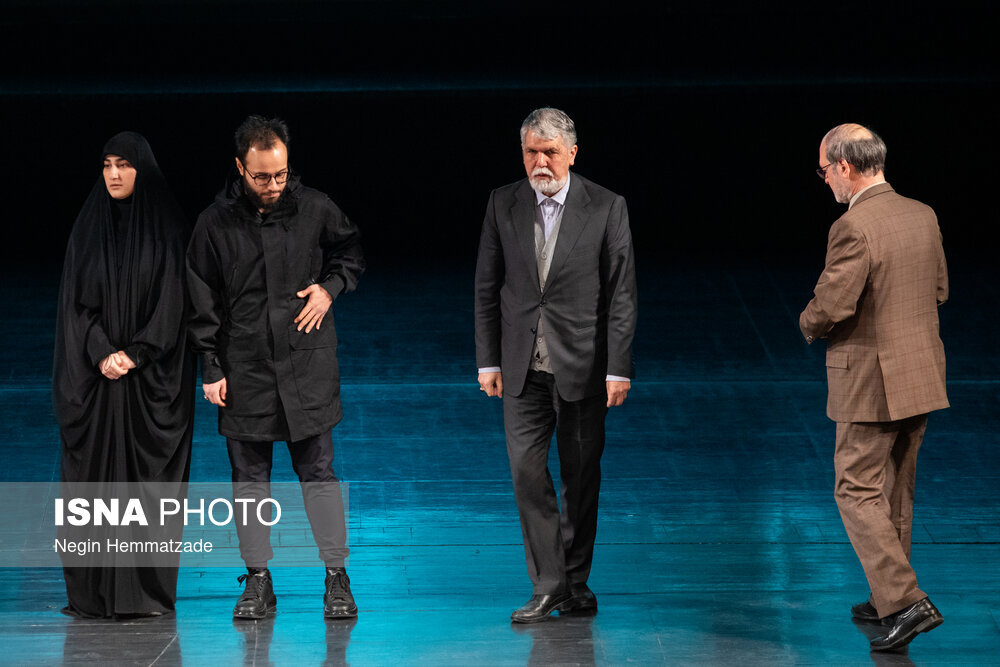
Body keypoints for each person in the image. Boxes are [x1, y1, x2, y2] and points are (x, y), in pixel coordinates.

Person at [187, 115, 365, 620]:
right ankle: (258, 580)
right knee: (249, 481)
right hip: (245, 370)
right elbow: (200, 296)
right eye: (262, 176)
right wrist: (210, 365)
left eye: (281, 174)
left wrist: (330, 288)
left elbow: (350, 250)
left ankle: (336, 576)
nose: (272, 185)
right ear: (240, 167)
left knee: (319, 475)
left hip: (306, 367)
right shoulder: (214, 224)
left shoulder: (314, 207)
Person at [474, 107, 637, 623]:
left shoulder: (607, 206)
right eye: (531, 152)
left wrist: (618, 368)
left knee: (581, 477)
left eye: (550, 152)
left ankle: (575, 582)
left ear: (572, 153)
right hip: (521, 368)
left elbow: (621, 294)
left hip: (583, 368)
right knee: (526, 474)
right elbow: (486, 288)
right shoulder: (503, 202)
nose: (540, 161)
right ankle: (549, 584)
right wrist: (488, 360)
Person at [800, 123, 948, 651]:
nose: (825, 180)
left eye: (824, 170)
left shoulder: (853, 225)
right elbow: (939, 289)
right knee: (895, 491)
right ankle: (888, 597)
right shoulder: (922, 214)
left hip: (870, 380)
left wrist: (807, 322)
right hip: (921, 373)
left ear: (845, 166)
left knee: (856, 490)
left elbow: (833, 305)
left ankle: (905, 602)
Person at [53, 131, 194, 618]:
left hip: (148, 379)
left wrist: (135, 354)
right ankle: (92, 594)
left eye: (124, 165)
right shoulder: (88, 228)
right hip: (99, 381)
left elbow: (175, 303)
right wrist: (101, 353)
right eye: (107, 164)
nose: (113, 174)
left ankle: (143, 594)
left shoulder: (169, 228)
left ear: (143, 169)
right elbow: (76, 305)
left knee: (147, 489)